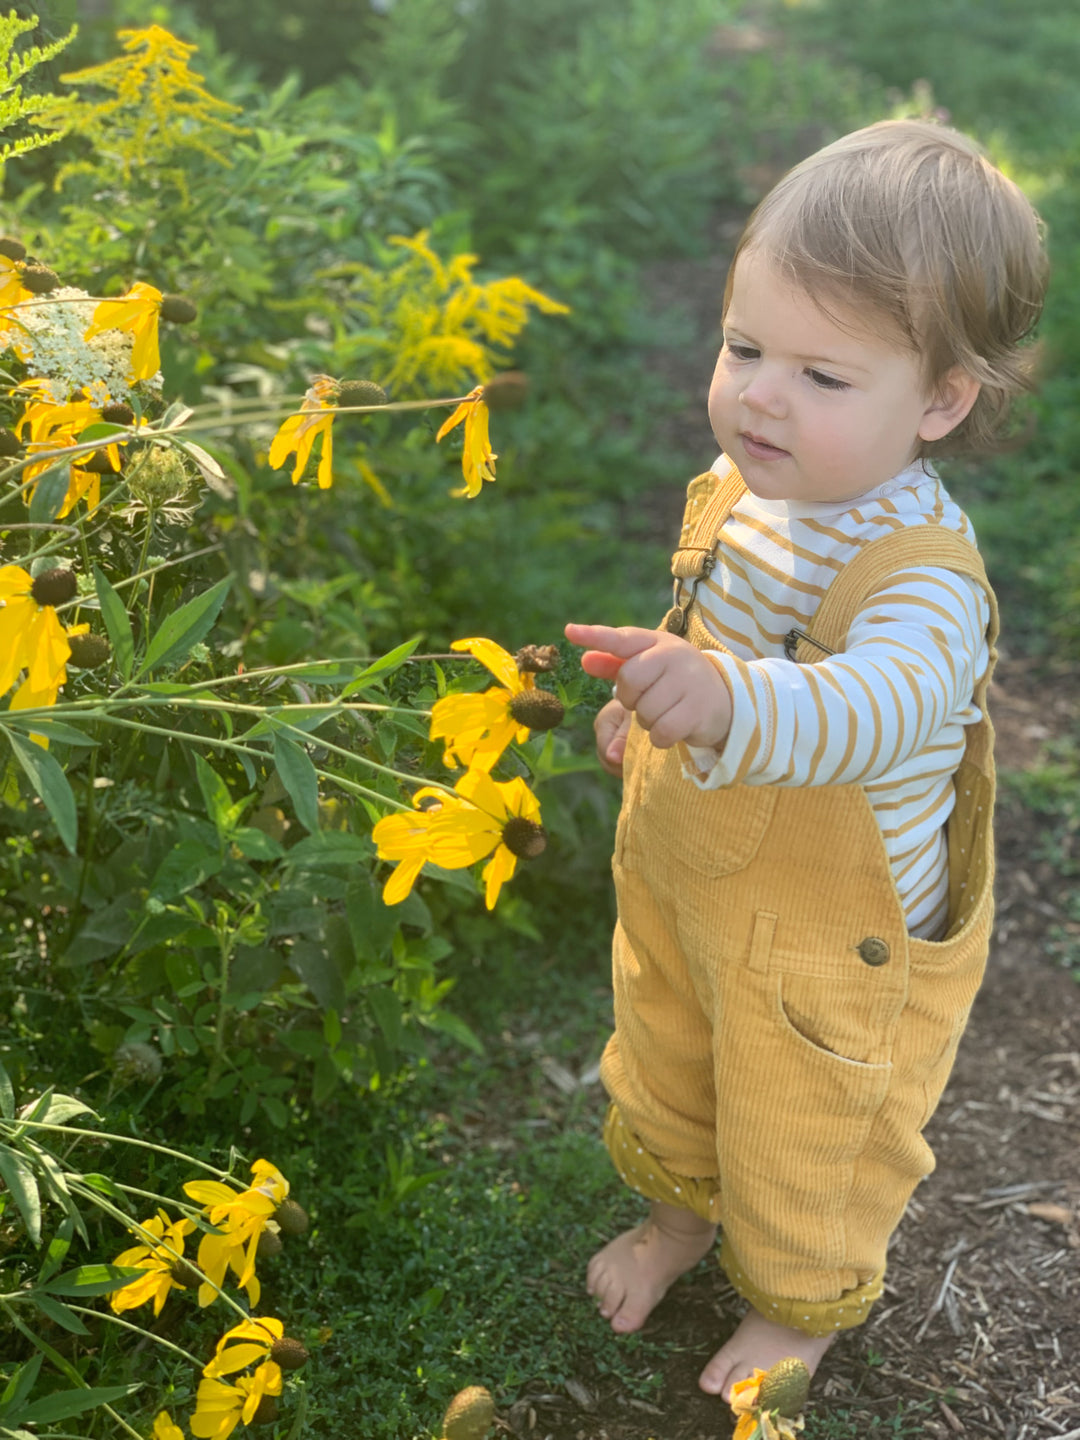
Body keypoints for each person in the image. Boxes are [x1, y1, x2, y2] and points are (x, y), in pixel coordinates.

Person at [565, 118, 1048, 1402]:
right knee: (668, 1048)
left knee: (806, 1131)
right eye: (744, 348)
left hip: (831, 946)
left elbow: (876, 708)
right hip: (694, 875)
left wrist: (723, 701)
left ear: (941, 402)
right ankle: (677, 1218)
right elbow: (714, 611)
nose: (763, 395)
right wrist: (662, 689)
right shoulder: (744, 485)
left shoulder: (920, 583)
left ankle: (798, 1304)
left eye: (824, 378)